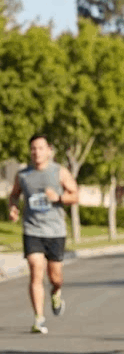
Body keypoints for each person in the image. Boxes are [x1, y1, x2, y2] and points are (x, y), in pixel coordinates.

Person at [8, 133, 78, 334]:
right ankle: (38, 318)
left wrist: (59, 198)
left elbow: (75, 195)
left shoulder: (59, 172)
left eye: (40, 148)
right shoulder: (23, 175)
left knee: (55, 277)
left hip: (55, 231)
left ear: (49, 150)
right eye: (33, 148)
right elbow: (14, 195)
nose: (36, 152)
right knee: (35, 269)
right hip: (32, 230)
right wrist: (13, 208)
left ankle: (56, 292)